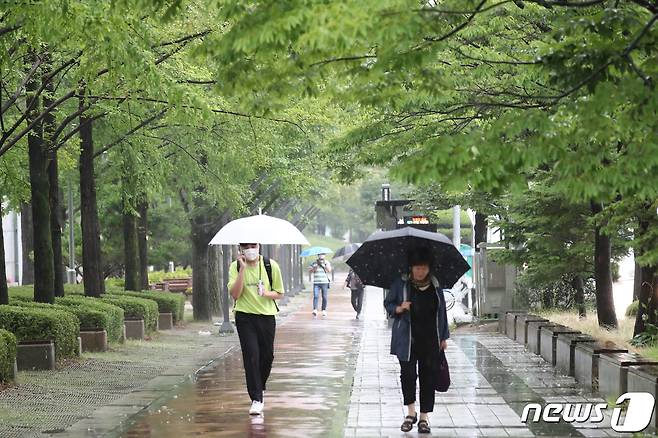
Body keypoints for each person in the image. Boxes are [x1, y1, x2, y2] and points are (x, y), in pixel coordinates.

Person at [383, 246, 450, 434]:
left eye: (424, 268)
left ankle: (424, 417)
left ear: (429, 268)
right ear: (411, 268)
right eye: (417, 267)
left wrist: (444, 336)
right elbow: (388, 304)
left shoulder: (436, 285)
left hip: (431, 340)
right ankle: (410, 413)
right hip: (407, 340)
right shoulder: (401, 284)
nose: (420, 271)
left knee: (428, 378)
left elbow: (442, 312)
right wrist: (399, 307)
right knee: (408, 376)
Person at [228, 242, 284, 416]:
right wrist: (242, 270)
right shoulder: (235, 266)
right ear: (241, 249)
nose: (250, 249)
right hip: (245, 317)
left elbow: (280, 293)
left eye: (253, 245)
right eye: (246, 246)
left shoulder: (270, 265)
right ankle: (256, 399)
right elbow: (235, 294)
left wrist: (265, 293)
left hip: (267, 317)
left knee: (267, 356)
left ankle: (260, 385)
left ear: (259, 246)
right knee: (252, 356)